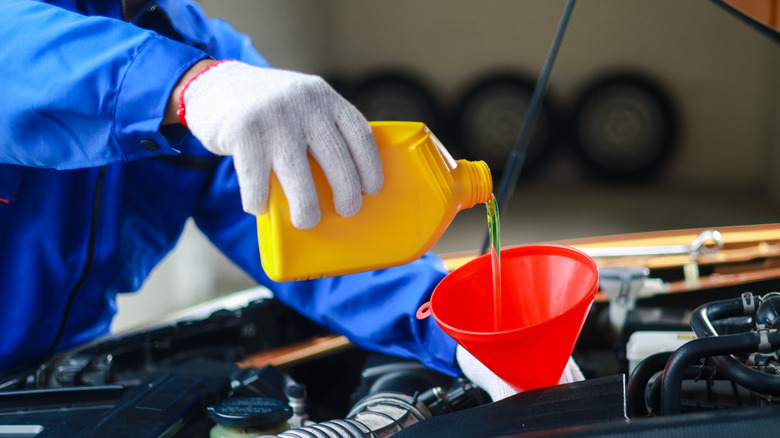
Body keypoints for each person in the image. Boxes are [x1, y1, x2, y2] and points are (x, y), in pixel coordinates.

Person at [0, 0, 579, 401]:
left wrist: (450, 328)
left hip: (53, 388)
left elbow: (320, 234)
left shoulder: (207, 50)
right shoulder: (198, 72)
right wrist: (184, 86)